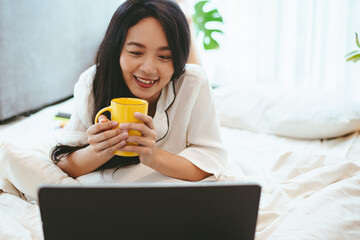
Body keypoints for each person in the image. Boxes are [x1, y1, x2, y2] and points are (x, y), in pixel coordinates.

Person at [51, 0, 227, 181]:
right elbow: (64, 163)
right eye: (135, 52)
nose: (149, 69)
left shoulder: (192, 83)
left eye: (165, 57)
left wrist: (153, 156)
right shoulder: (92, 83)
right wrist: (101, 150)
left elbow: (211, 161)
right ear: (116, 50)